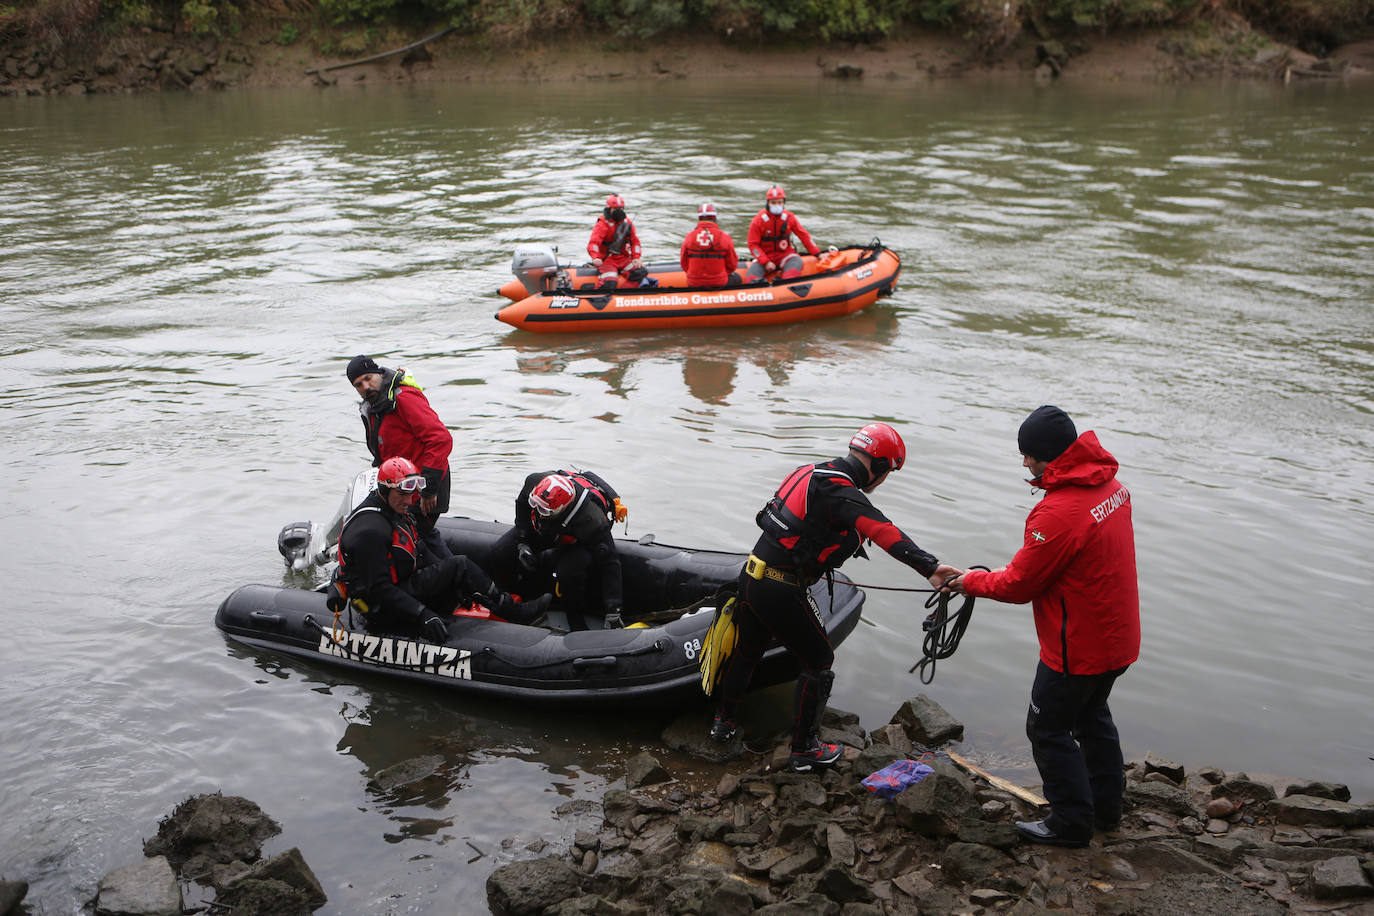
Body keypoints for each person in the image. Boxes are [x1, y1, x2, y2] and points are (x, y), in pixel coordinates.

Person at [711, 423, 959, 772]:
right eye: (888, 473)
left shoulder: (810, 472)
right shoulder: (839, 489)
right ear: (881, 467)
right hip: (779, 587)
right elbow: (883, 529)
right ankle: (804, 750)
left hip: (751, 577)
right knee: (819, 659)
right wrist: (929, 568)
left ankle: (723, 723)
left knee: (748, 650)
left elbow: (807, 527)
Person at [946, 406, 1140, 849]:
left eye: (1028, 455)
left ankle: (1070, 823)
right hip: (1118, 639)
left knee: (1047, 728)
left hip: (1076, 649)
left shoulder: (1057, 512)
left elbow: (1019, 585)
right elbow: (1060, 565)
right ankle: (1107, 811)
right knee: (1092, 718)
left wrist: (968, 582)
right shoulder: (1113, 489)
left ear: (1051, 457)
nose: (1024, 463)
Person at [332, 458, 551, 641]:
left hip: (402, 584)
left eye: (412, 494)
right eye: (404, 494)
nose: (410, 500)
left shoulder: (396, 510)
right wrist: (422, 614)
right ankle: (514, 612)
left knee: (458, 568)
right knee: (460, 564)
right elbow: (379, 589)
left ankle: (501, 605)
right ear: (384, 489)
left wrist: (453, 582)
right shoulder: (370, 532)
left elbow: (420, 550)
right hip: (379, 607)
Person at [346, 354, 453, 559]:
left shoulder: (403, 398)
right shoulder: (376, 405)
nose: (366, 386)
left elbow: (441, 440)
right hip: (397, 484)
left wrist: (428, 490)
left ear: (379, 373)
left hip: (424, 484)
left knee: (423, 536)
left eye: (368, 378)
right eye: (359, 384)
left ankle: (458, 577)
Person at [492, 469, 627, 631]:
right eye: (535, 505)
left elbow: (610, 563)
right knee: (500, 551)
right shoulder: (533, 482)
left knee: (569, 572)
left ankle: (574, 618)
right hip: (546, 528)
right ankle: (511, 602)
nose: (537, 511)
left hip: (575, 539)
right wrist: (523, 543)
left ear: (561, 508)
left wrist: (613, 610)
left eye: (543, 510)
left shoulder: (592, 521)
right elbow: (522, 506)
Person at [744, 185, 821, 283]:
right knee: (751, 277)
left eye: (780, 202)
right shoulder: (758, 221)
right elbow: (753, 245)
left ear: (783, 203)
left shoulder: (789, 218)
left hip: (785, 255)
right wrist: (765, 261)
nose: (777, 205)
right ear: (768, 203)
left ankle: (785, 285)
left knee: (796, 262)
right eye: (773, 203)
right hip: (766, 256)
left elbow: (804, 235)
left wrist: (817, 253)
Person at [587, 194, 644, 289]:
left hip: (623, 258)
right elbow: (594, 243)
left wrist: (636, 257)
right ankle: (603, 297)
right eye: (616, 209)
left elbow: (635, 242)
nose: (619, 212)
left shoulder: (627, 223)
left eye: (620, 209)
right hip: (607, 260)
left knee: (640, 272)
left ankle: (625, 295)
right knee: (610, 282)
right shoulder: (602, 224)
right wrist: (595, 257)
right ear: (609, 209)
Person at [680, 202, 738, 287]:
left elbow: (683, 262)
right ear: (714, 218)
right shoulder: (725, 237)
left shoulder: (689, 237)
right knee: (737, 278)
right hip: (719, 282)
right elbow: (732, 265)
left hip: (694, 283)